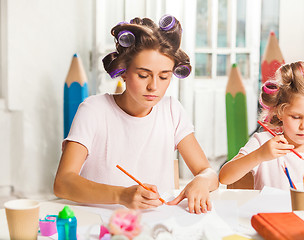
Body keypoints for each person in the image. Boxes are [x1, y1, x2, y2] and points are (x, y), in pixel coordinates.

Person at [54, 15, 219, 214]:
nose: (153, 86)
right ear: (123, 71)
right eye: (143, 75)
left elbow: (209, 173)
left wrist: (201, 180)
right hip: (102, 223)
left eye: (164, 76)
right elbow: (63, 182)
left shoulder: (171, 110)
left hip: (156, 224)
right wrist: (121, 195)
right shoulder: (93, 110)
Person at [219, 61, 304, 195]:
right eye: (296, 117)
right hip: (268, 215)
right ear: (280, 113)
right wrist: (259, 155)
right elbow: (224, 177)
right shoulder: (263, 143)